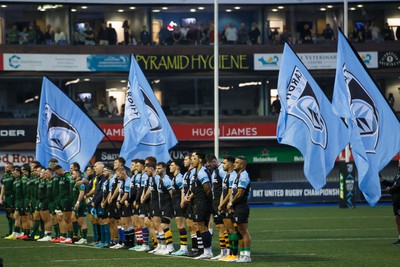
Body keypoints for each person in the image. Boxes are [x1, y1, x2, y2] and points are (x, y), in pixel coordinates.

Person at [185, 151, 213, 259]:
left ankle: (207, 251)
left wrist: (210, 203)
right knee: (202, 226)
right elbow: (197, 188)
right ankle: (207, 250)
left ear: (200, 160)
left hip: (202, 203)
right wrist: (190, 196)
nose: (192, 159)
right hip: (198, 202)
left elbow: (208, 189)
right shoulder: (197, 172)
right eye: (191, 157)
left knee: (201, 226)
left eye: (194, 157)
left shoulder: (202, 172)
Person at [227, 156, 252, 263]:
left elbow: (240, 193)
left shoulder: (244, 176)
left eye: (236, 163)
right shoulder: (237, 176)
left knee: (244, 231)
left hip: (241, 206)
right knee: (239, 232)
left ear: (242, 165)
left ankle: (247, 255)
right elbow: (233, 192)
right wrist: (231, 204)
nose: (234, 164)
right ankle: (242, 254)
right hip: (236, 207)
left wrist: (231, 203)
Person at [206, 154, 229, 260]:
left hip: (221, 203)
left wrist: (223, 202)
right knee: (219, 227)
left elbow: (227, 186)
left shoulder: (222, 171)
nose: (208, 167)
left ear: (214, 161)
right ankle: (223, 252)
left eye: (209, 164)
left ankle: (229, 251)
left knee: (225, 228)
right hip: (215, 203)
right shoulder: (215, 171)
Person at [169, 160, 189, 256]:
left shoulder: (179, 177)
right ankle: (183, 247)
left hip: (179, 203)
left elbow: (183, 190)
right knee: (179, 225)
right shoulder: (175, 178)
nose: (170, 167)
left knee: (181, 225)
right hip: (175, 203)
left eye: (172, 165)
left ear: (177, 167)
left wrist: (182, 201)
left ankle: (184, 248)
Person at [380, 160, 400, 245]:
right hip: (396, 201)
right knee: (398, 220)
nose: (399, 164)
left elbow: (398, 186)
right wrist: (382, 180)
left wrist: (391, 189)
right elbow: (393, 184)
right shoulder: (398, 174)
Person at [1, 162, 15, 238]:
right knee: (8, 216)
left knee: (14, 215)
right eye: (5, 167)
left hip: (13, 197)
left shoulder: (13, 175)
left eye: (7, 167)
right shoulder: (4, 176)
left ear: (11, 168)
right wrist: (1, 197)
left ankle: (16, 232)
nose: (5, 168)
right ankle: (10, 232)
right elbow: (3, 187)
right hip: (7, 198)